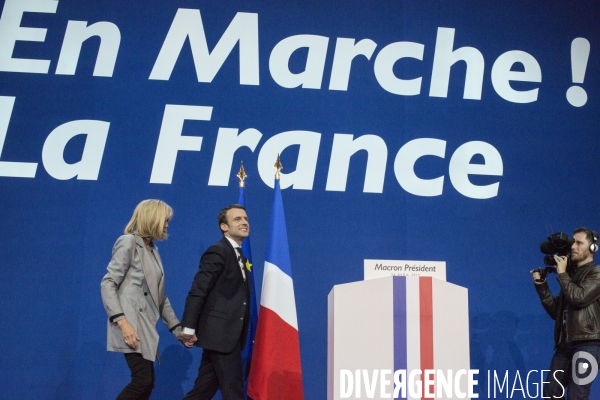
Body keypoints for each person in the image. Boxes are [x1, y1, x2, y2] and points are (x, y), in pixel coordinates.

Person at [101, 199, 191, 400]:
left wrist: (178, 330)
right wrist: (123, 323)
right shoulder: (128, 242)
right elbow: (108, 283)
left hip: (144, 325)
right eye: (165, 220)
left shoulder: (152, 250)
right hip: (131, 324)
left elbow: (160, 296)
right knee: (142, 381)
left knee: (146, 383)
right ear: (152, 219)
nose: (167, 225)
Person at [179, 204, 251, 400]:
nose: (244, 222)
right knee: (233, 392)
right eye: (237, 219)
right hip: (221, 334)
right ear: (224, 227)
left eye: (245, 218)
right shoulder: (218, 251)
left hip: (225, 336)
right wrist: (189, 328)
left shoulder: (238, 254)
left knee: (203, 390)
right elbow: (198, 290)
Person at [532, 227, 600, 399]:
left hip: (588, 344)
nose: (573, 247)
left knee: (577, 395)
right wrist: (542, 286)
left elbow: (580, 297)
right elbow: (556, 312)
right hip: (565, 344)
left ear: (592, 248)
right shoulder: (570, 277)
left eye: (579, 243)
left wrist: (562, 273)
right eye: (573, 242)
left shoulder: (596, 273)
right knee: (551, 393)